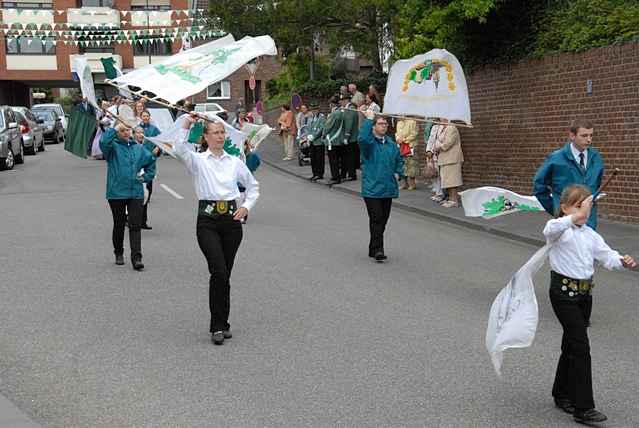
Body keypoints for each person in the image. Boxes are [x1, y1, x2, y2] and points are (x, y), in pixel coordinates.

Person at [543, 184, 636, 424]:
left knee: (571, 345)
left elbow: (606, 255)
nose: (584, 211)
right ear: (564, 208)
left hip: (584, 297)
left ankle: (561, 393)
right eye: (577, 205)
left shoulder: (590, 234)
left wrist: (621, 260)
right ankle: (583, 408)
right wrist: (574, 215)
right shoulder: (560, 230)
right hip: (563, 295)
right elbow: (550, 228)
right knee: (581, 348)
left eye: (587, 205)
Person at [173, 115, 259, 345]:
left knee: (224, 275)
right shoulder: (197, 160)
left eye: (223, 132)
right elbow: (179, 148)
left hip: (231, 222)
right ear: (206, 137)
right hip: (207, 222)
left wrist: (246, 207)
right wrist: (186, 124)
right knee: (218, 271)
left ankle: (224, 322)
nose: (220, 136)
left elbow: (253, 187)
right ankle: (216, 327)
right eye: (215, 132)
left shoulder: (234, 161)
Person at [99, 122, 156, 270]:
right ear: (117, 132)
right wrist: (114, 129)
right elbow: (103, 142)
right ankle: (118, 252)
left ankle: (137, 258)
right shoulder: (112, 148)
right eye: (122, 130)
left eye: (127, 130)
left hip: (135, 192)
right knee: (119, 224)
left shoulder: (138, 148)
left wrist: (145, 177)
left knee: (135, 225)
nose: (125, 133)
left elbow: (151, 161)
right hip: (116, 192)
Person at [534, 119, 603, 230]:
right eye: (584, 136)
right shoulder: (556, 159)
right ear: (572, 136)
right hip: (566, 221)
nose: (589, 140)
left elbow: (596, 185)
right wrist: (555, 209)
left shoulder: (596, 157)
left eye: (591, 135)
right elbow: (539, 186)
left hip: (589, 222)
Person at [358, 109, 403, 262]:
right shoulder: (369, 145)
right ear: (374, 127)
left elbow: (399, 161)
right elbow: (362, 138)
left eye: (385, 124)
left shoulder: (391, 144)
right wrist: (369, 119)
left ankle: (373, 247)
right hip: (372, 189)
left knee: (382, 220)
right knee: (376, 218)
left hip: (387, 188)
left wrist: (398, 172)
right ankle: (378, 249)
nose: (384, 126)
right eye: (380, 124)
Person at [138, 111, 162, 229]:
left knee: (147, 193)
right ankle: (131, 218)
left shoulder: (154, 129)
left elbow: (161, 141)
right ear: (140, 117)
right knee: (136, 194)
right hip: (137, 164)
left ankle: (143, 221)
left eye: (147, 116)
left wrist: (157, 147)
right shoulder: (136, 128)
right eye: (144, 116)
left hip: (149, 163)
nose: (146, 118)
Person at [434, 121, 463, 208]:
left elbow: (447, 143)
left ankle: (454, 200)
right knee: (447, 180)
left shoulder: (451, 128)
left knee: (453, 180)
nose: (441, 119)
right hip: (444, 158)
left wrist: (438, 146)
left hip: (452, 158)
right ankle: (450, 198)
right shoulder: (443, 128)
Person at [323, 95, 346, 185]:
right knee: (340, 159)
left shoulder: (334, 114)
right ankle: (341, 175)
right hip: (340, 139)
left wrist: (324, 134)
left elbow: (327, 127)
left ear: (332, 104)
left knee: (333, 160)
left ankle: (335, 177)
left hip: (332, 140)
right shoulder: (342, 112)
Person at [304, 101, 326, 181]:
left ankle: (320, 174)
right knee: (313, 158)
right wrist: (308, 136)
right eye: (312, 109)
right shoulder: (310, 118)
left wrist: (314, 136)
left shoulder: (322, 117)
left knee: (319, 159)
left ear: (318, 109)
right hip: (312, 141)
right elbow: (308, 128)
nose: (314, 111)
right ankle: (314, 173)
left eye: (315, 109)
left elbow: (321, 128)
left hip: (319, 141)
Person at [395, 119, 419, 190]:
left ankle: (412, 183)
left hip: (410, 145)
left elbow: (414, 133)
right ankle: (404, 183)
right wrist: (398, 138)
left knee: (411, 164)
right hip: (401, 146)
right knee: (402, 164)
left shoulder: (412, 122)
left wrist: (405, 140)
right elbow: (397, 133)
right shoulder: (399, 123)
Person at [340, 95, 359, 181]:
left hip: (351, 137)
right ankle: (347, 174)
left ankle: (352, 175)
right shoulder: (347, 108)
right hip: (351, 137)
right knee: (347, 156)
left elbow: (349, 122)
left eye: (342, 100)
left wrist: (346, 136)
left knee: (350, 157)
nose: (341, 102)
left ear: (347, 100)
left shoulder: (350, 109)